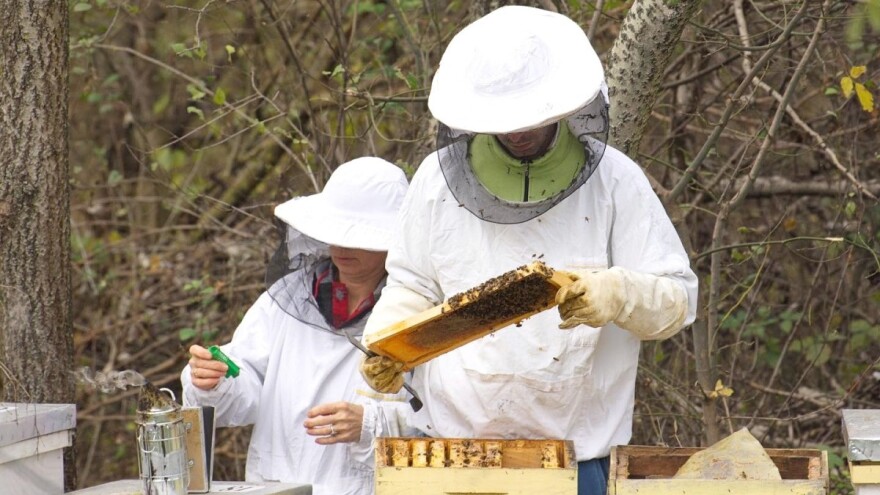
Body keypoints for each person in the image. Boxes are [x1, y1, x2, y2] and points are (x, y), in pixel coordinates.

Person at [358, 6, 698, 495]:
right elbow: (412, 283)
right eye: (503, 121)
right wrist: (387, 343)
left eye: (529, 118)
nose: (517, 132)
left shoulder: (615, 181)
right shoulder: (435, 180)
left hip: (575, 459)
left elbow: (678, 301)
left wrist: (618, 293)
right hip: (449, 456)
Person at [181, 157, 416, 495]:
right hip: (275, 487)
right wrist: (214, 381)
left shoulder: (415, 311)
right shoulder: (288, 299)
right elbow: (244, 388)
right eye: (335, 231)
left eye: (359, 236)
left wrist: (370, 424)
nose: (342, 246)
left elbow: (438, 422)